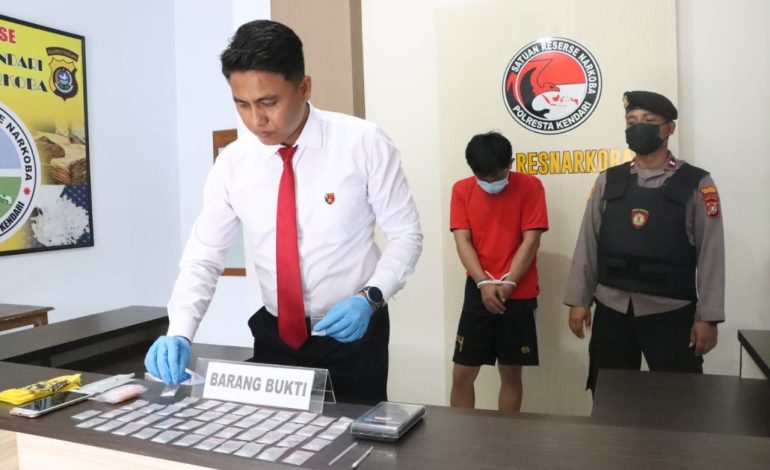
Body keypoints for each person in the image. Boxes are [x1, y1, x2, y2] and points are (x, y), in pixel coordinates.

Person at [144, 20, 422, 405]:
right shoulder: (233, 164)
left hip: (352, 334)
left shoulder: (363, 143)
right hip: (276, 334)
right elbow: (204, 258)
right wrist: (179, 330)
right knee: (274, 437)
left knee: (356, 438)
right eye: (242, 104)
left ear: (304, 87)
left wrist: (371, 297)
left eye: (268, 103)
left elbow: (407, 235)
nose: (255, 120)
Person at [564, 91, 725, 393]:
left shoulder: (696, 183)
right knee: (610, 399)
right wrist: (579, 300)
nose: (638, 127)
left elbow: (711, 254)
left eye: (649, 121)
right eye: (632, 121)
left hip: (671, 312)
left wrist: (708, 318)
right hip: (612, 309)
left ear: (669, 128)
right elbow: (588, 242)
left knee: (681, 401)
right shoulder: (608, 180)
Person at [449, 132, 548, 412]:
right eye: (483, 178)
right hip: (478, 289)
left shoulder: (530, 186)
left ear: (510, 164)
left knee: (511, 374)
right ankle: (460, 433)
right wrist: (482, 282)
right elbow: (462, 240)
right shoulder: (462, 190)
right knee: (462, 374)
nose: (491, 183)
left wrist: (510, 282)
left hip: (519, 290)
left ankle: (506, 435)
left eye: (497, 176)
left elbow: (531, 241)